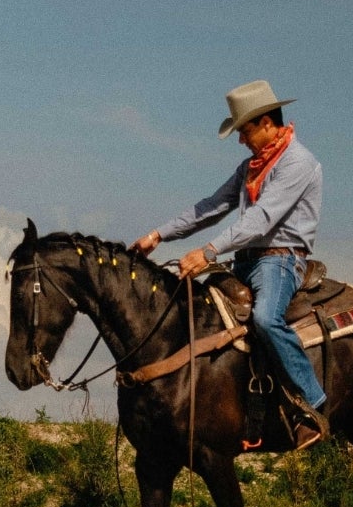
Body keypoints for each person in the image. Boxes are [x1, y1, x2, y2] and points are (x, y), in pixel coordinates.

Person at [130, 80, 330, 449]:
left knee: (266, 319)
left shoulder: (299, 163)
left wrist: (207, 253)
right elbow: (210, 207)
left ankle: (313, 405)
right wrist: (158, 235)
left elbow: (263, 219)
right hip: (245, 261)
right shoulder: (249, 168)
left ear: (268, 122)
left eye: (245, 130)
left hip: (281, 260)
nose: (241, 139)